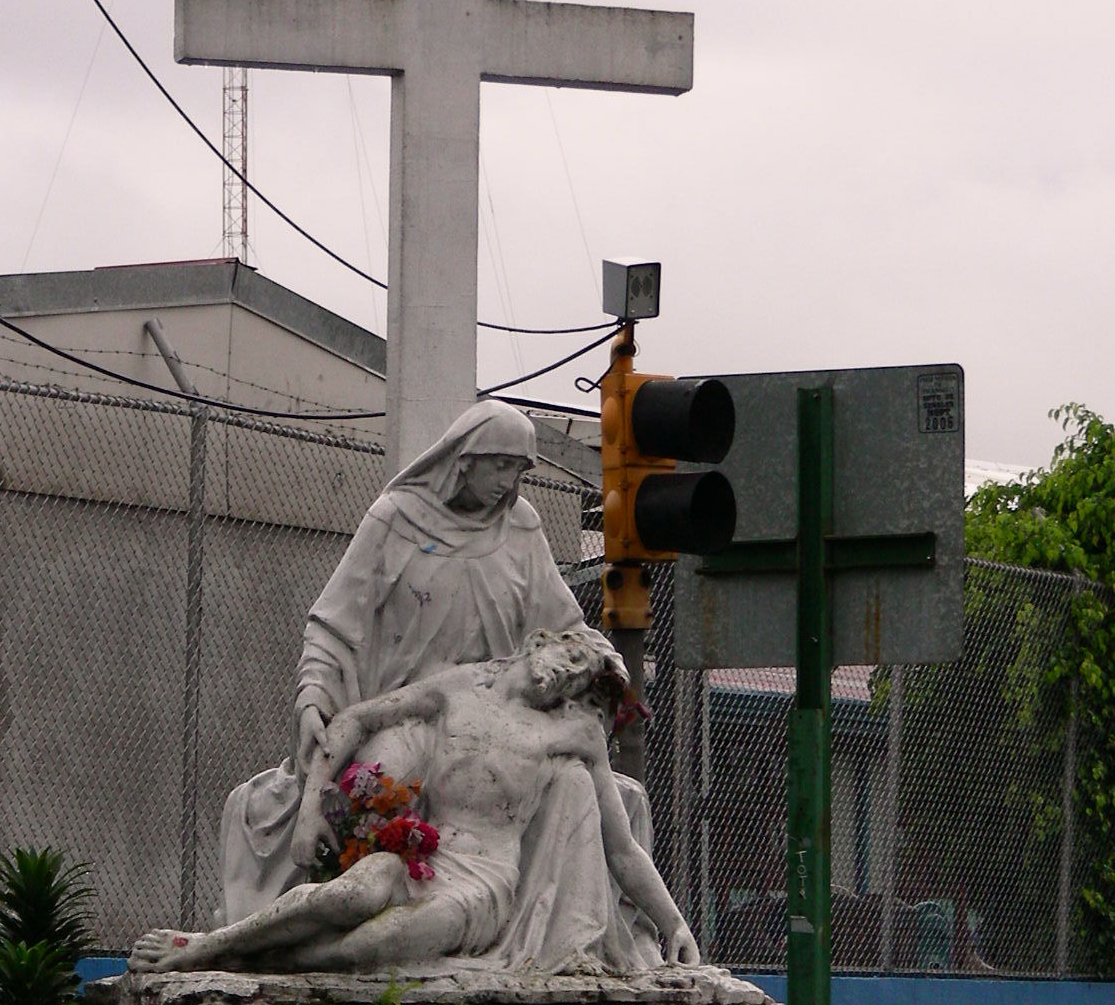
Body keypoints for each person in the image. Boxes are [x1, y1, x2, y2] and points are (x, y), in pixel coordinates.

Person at [133, 627, 698, 975]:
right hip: (423, 859)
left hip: (483, 885)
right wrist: (311, 809)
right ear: (541, 643)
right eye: (575, 655)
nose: (571, 675)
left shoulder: (574, 736)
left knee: (375, 944)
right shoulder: (460, 689)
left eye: (586, 679)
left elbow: (621, 849)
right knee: (354, 893)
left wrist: (673, 923)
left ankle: (234, 958)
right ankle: (216, 944)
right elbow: (357, 719)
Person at [221, 399, 585, 924]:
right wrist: (313, 697)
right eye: (501, 464)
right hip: (404, 716)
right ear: (465, 459)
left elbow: (564, 632)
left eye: (520, 470)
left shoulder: (521, 527)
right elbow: (334, 623)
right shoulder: (396, 519)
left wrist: (599, 676)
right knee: (371, 796)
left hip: (496, 724)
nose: (509, 481)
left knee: (602, 796)